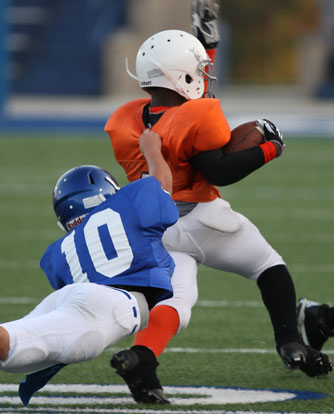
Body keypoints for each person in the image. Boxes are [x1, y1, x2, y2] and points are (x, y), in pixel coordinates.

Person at [105, 0, 333, 404]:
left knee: (177, 302)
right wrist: (270, 149)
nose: (205, 75)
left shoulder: (127, 119)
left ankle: (143, 356)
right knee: (268, 266)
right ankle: (289, 340)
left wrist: (204, 46)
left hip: (157, 227)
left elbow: (184, 94)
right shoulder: (197, 114)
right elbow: (219, 171)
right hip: (206, 220)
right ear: (183, 75)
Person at [0, 164, 196, 406]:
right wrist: (152, 149)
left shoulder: (59, 251)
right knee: (10, 344)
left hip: (75, 299)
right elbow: (162, 185)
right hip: (109, 306)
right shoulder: (130, 207)